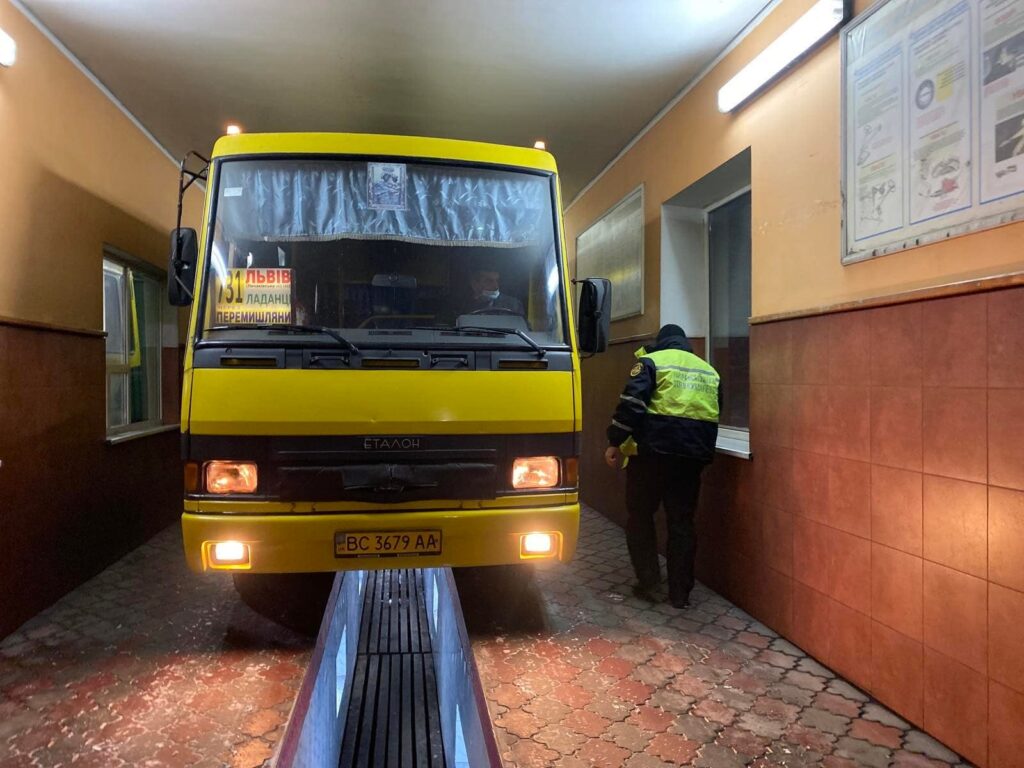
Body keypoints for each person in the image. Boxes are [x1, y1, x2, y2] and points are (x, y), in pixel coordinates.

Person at [604, 324, 720, 609]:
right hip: (692, 458)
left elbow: (632, 404)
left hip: (652, 455)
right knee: (682, 522)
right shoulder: (709, 371)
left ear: (661, 341)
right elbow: (716, 412)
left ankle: (650, 584)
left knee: (641, 515)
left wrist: (614, 441)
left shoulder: (651, 362)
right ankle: (680, 594)